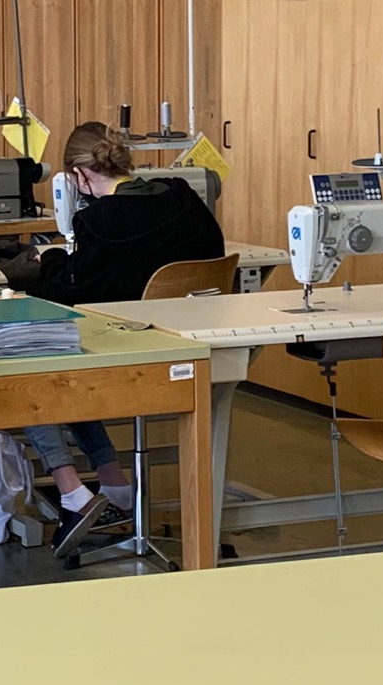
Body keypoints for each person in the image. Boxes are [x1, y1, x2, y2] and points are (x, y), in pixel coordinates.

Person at [15, 121, 229, 556]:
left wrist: (52, 257)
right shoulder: (183, 197)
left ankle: (76, 494)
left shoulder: (97, 221)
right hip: (193, 353)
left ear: (79, 176)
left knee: (32, 361)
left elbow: (69, 291)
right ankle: (113, 486)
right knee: (68, 358)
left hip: (130, 361)